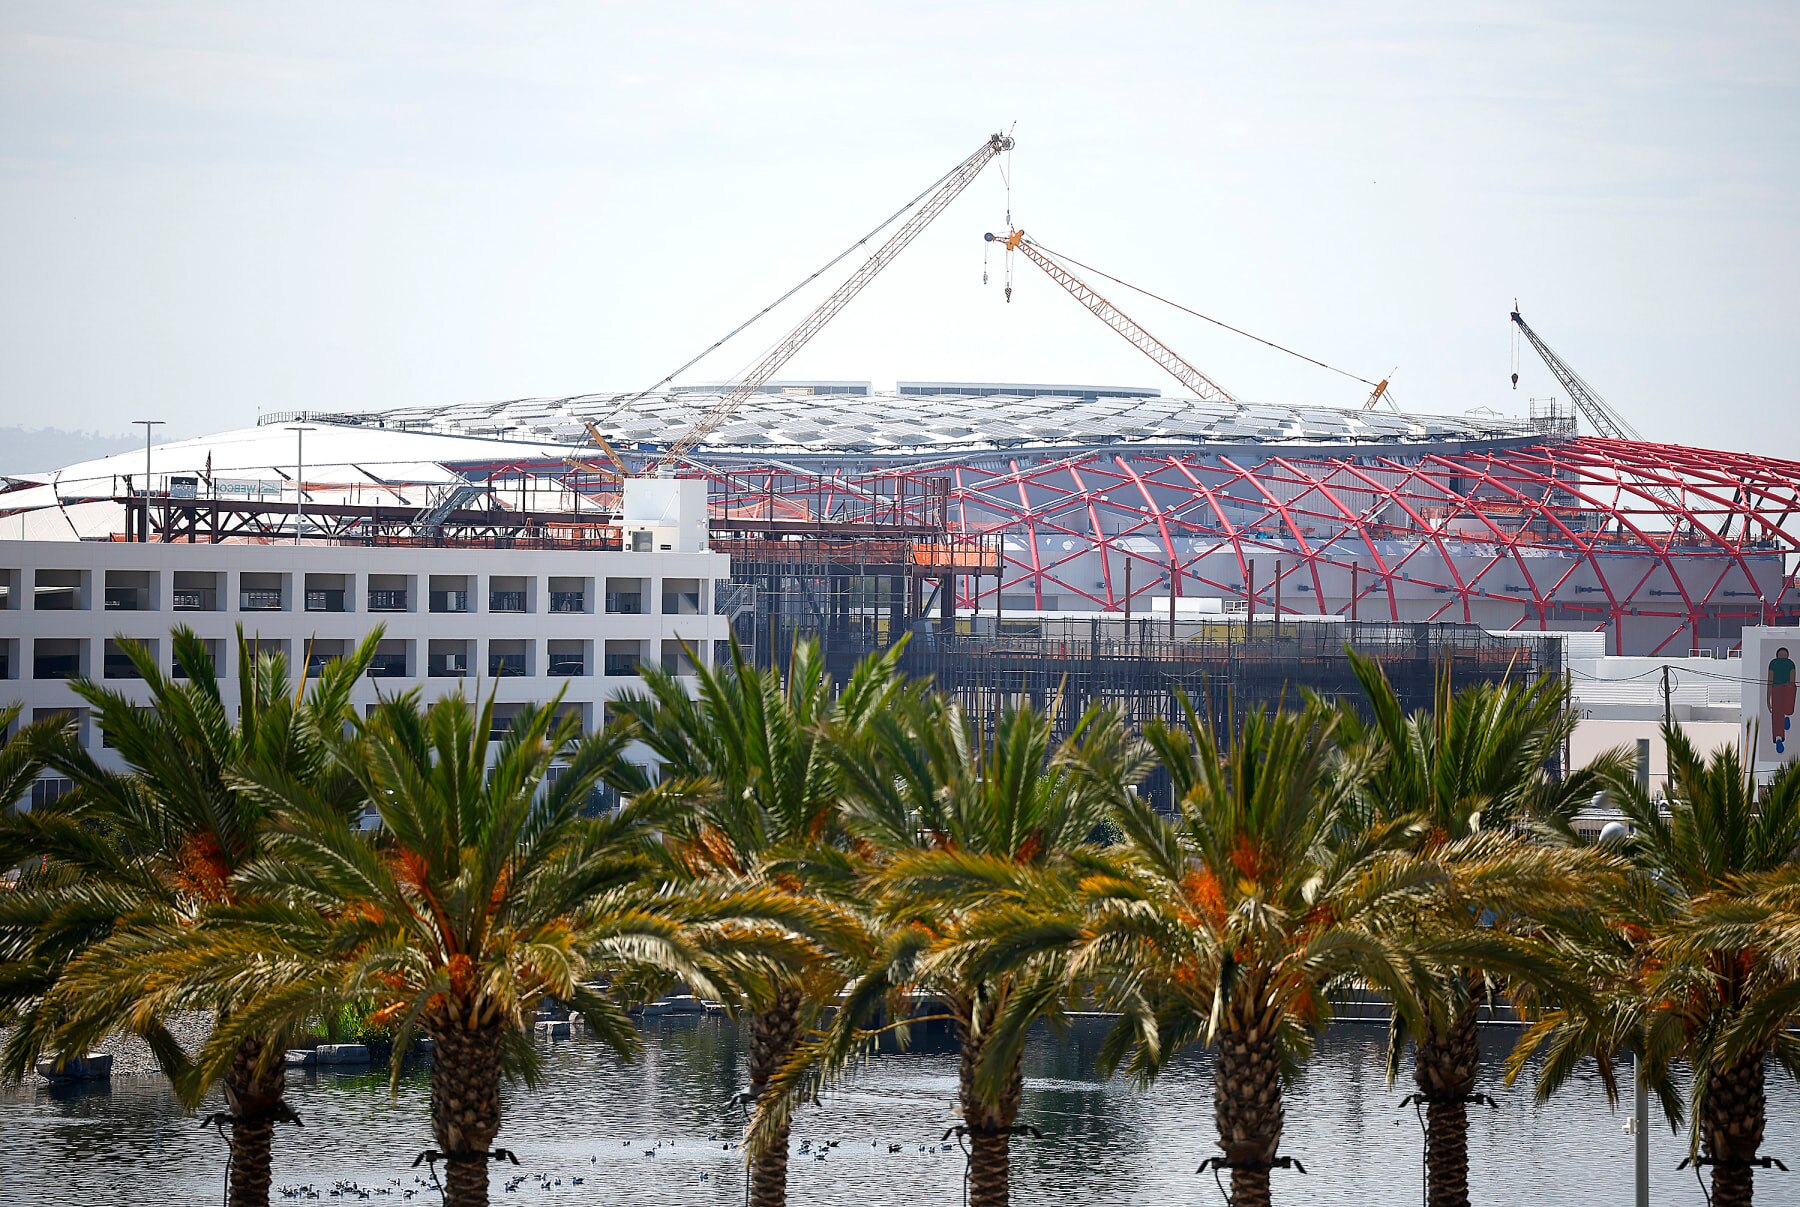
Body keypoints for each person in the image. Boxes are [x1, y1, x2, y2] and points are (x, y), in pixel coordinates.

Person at [1769, 645, 1796, 755]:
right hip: (1787, 688)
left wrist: (1768, 698)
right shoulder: (1790, 663)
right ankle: (1787, 715)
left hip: (1776, 690)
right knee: (1787, 706)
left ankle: (1778, 737)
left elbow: (1769, 681)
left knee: (1776, 715)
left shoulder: (1773, 663)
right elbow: (1792, 681)